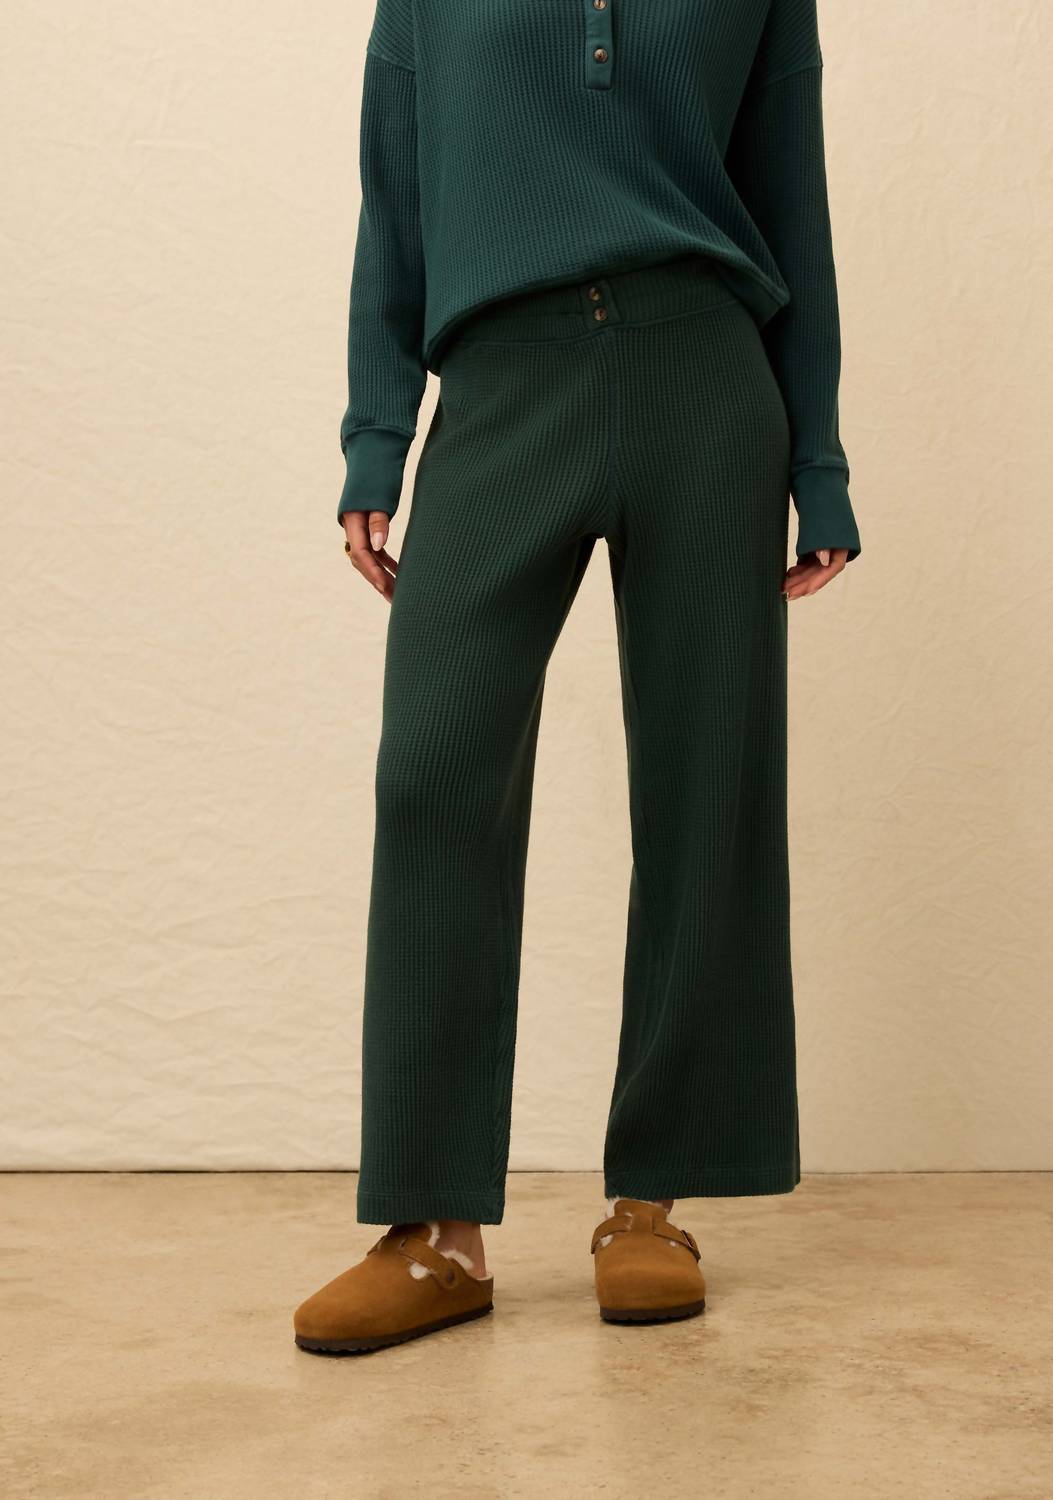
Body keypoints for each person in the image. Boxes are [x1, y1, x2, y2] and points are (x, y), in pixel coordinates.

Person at [294, 0, 861, 1354]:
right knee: (432, 777)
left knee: (705, 787)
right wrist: (376, 433)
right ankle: (432, 1233)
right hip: (501, 383)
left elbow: (793, 200)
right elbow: (395, 195)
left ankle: (651, 1204)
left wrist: (818, 458)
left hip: (704, 379)